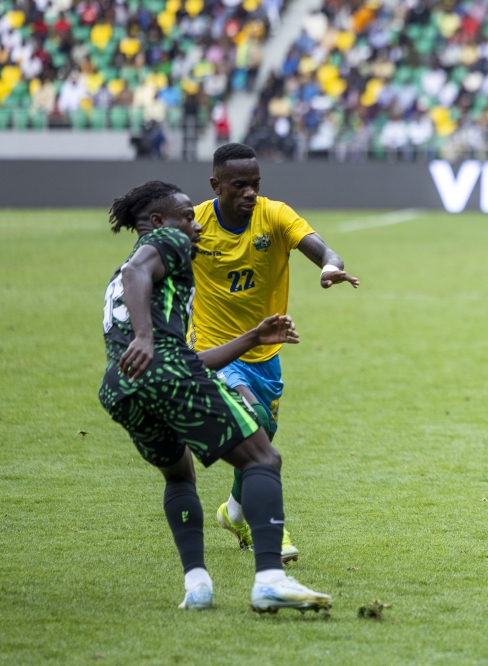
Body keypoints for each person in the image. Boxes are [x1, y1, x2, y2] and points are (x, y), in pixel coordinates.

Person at [99, 180, 332, 613]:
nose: (196, 226)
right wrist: (147, 338)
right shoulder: (165, 243)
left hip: (122, 388)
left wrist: (252, 338)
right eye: (187, 217)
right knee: (263, 457)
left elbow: (185, 357)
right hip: (162, 371)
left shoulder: (123, 275)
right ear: (158, 222)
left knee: (180, 475)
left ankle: (198, 585)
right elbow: (153, 320)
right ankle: (269, 579)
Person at [188, 143, 359, 562]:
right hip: (215, 352)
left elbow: (322, 249)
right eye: (240, 185)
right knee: (256, 424)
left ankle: (234, 512)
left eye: (256, 184)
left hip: (266, 355)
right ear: (217, 185)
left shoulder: (275, 215)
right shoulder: (193, 223)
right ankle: (272, 532)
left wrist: (328, 267)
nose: (251, 192)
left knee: (260, 443)